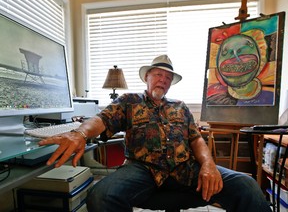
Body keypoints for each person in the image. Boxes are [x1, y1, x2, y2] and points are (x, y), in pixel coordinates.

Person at [39, 55, 271, 212]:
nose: (163, 80)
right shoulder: (129, 100)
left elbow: (195, 138)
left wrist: (208, 164)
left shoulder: (180, 106)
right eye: (158, 75)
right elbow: (103, 119)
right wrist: (80, 133)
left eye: (168, 78)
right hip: (142, 169)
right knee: (101, 196)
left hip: (186, 168)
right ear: (147, 77)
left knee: (246, 185)